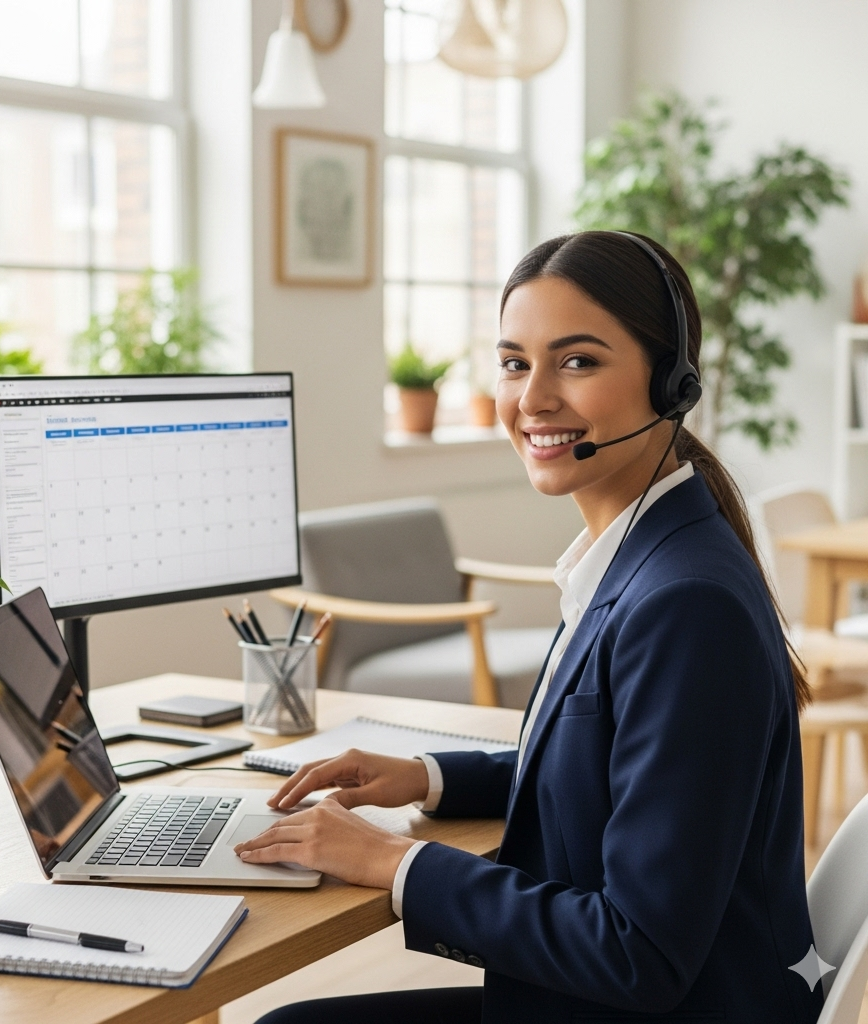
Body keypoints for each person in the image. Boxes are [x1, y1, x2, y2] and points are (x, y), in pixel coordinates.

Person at [234, 231, 820, 1024]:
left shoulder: (685, 603)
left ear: (671, 382)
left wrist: (395, 862)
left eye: (577, 361)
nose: (533, 398)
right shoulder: (645, 553)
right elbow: (607, 774)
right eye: (514, 363)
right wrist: (426, 776)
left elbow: (637, 953)